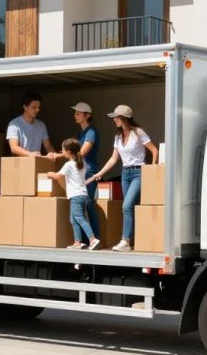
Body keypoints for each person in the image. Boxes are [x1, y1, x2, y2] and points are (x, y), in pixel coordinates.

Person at [87, 105, 158, 252]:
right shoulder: (118, 137)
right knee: (130, 207)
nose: (114, 120)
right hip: (125, 174)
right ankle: (134, 240)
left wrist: (152, 171)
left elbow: (154, 150)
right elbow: (113, 159)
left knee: (126, 206)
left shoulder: (138, 133)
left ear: (124, 118)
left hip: (139, 172)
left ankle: (125, 240)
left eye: (116, 117)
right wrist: (100, 173)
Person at [48, 138, 100, 250]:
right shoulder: (81, 164)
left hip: (76, 196)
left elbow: (58, 176)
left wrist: (50, 174)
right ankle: (77, 242)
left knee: (79, 218)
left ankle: (92, 239)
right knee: (73, 219)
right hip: (83, 195)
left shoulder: (69, 164)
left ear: (69, 152)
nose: (62, 152)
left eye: (63, 150)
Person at [71, 102, 101, 240]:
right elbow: (74, 152)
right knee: (82, 205)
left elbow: (82, 153)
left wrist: (63, 155)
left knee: (88, 203)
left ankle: (95, 237)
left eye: (78, 113)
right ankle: (85, 239)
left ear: (87, 115)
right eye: (75, 113)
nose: (75, 115)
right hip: (82, 171)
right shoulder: (81, 132)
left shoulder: (91, 132)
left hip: (88, 171)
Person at [7, 92, 58, 159]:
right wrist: (29, 154)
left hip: (36, 163)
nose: (37, 110)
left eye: (38, 107)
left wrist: (54, 155)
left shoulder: (41, 125)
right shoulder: (14, 124)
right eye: (34, 107)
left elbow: (48, 146)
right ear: (25, 107)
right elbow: (14, 148)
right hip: (20, 164)